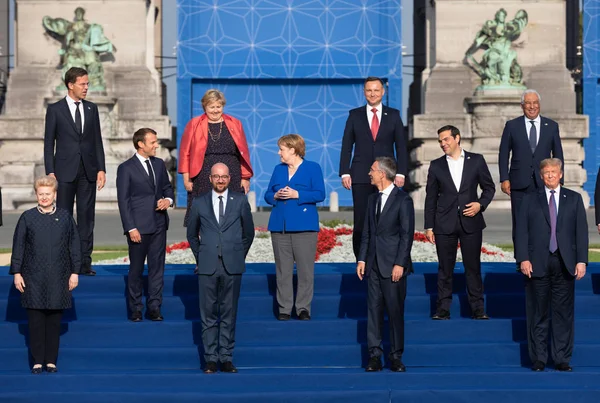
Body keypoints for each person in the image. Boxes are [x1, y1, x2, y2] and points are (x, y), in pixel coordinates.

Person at [498, 89, 563, 364]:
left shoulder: (551, 126)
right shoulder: (512, 126)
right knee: (521, 222)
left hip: (545, 182)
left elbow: (557, 154)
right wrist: (504, 177)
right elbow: (504, 152)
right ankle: (521, 257)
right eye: (529, 104)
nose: (533, 107)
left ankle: (549, 252)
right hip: (521, 184)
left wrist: (559, 180)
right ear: (522, 106)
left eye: (536, 103)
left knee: (548, 221)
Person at [514, 158, 588, 372]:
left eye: (554, 172)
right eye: (546, 172)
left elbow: (581, 233)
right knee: (538, 313)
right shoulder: (529, 200)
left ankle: (562, 358)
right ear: (541, 175)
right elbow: (521, 232)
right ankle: (539, 358)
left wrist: (581, 260)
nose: (550, 175)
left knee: (563, 314)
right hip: (537, 262)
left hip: (565, 263)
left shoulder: (574, 199)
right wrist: (523, 259)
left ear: (561, 174)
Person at [186, 163, 255, 374]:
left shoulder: (241, 201)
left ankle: (225, 357)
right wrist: (201, 255)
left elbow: (248, 234)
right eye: (216, 176)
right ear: (210, 179)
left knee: (229, 313)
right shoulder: (198, 203)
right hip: (207, 266)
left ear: (229, 178)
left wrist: (235, 254)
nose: (221, 180)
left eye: (224, 176)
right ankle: (210, 359)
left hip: (232, 266)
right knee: (207, 315)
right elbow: (192, 235)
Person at [9, 176, 80, 374]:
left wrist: (75, 272)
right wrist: (17, 273)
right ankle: (38, 360)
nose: (44, 197)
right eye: (41, 194)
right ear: (36, 195)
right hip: (33, 277)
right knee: (36, 322)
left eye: (48, 194)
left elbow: (74, 246)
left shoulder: (65, 217)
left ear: (55, 194)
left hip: (59, 276)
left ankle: (51, 360)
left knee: (54, 322)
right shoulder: (27, 217)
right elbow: (19, 246)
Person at [424, 125, 495, 320]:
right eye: (440, 141)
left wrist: (480, 205)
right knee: (445, 268)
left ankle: (478, 308)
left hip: (471, 222)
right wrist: (429, 226)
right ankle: (443, 309)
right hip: (443, 223)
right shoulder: (436, 165)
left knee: (473, 267)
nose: (442, 144)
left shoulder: (477, 160)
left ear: (457, 138)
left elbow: (489, 188)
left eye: (446, 139)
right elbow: (430, 198)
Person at [44, 66, 106, 276]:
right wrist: (50, 172)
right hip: (63, 172)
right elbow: (48, 143)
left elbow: (97, 141)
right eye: (83, 84)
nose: (87, 87)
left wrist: (101, 169)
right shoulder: (55, 110)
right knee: (62, 217)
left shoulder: (92, 109)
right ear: (71, 85)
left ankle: (83, 263)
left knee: (87, 218)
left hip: (88, 172)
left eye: (87, 83)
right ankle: (62, 263)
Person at [339, 77, 408, 260]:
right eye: (369, 90)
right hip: (361, 175)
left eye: (376, 90)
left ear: (383, 92)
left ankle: (386, 258)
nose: (373, 94)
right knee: (361, 220)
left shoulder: (393, 115)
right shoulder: (355, 115)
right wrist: (345, 171)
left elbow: (401, 146)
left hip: (387, 175)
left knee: (388, 218)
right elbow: (347, 145)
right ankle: (361, 259)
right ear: (364, 92)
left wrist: (400, 172)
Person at [356, 157, 414, 373]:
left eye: (372, 170)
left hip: (393, 268)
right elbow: (367, 233)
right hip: (373, 266)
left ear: (382, 173)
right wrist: (362, 259)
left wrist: (400, 263)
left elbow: (406, 235)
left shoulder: (403, 200)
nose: (369, 173)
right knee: (373, 312)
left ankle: (396, 356)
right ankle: (374, 356)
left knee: (395, 312)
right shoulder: (372, 200)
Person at [264, 134, 326, 321]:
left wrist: (297, 194)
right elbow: (267, 195)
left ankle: (303, 308)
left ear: (293, 149)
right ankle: (284, 308)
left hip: (304, 227)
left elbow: (320, 194)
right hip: (279, 226)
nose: (279, 153)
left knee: (305, 270)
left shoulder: (312, 168)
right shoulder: (278, 169)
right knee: (283, 270)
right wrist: (275, 196)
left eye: (281, 149)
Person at [116, 128, 174, 322]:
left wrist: (168, 200)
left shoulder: (159, 164)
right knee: (136, 270)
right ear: (141, 144)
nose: (156, 145)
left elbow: (167, 188)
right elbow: (123, 201)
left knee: (158, 269)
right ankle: (135, 309)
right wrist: (130, 227)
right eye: (153, 142)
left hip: (159, 224)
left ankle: (155, 308)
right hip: (138, 228)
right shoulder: (126, 168)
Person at [179, 89, 253, 226]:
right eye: (211, 107)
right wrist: (186, 178)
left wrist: (245, 177)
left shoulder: (235, 123)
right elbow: (185, 153)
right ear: (204, 107)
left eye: (218, 106)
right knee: (204, 213)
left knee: (232, 211)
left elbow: (243, 152)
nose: (215, 110)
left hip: (232, 173)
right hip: (202, 173)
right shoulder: (194, 124)